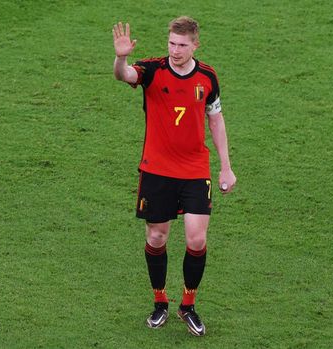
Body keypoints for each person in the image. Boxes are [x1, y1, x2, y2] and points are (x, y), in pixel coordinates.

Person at [112, 16, 237, 336]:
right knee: (157, 238)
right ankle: (159, 302)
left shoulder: (207, 76)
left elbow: (216, 120)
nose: (175, 50)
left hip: (195, 169)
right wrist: (121, 56)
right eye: (171, 43)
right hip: (157, 169)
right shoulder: (153, 69)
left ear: (196, 44)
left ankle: (188, 305)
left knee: (197, 239)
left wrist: (226, 166)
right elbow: (123, 75)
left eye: (182, 45)